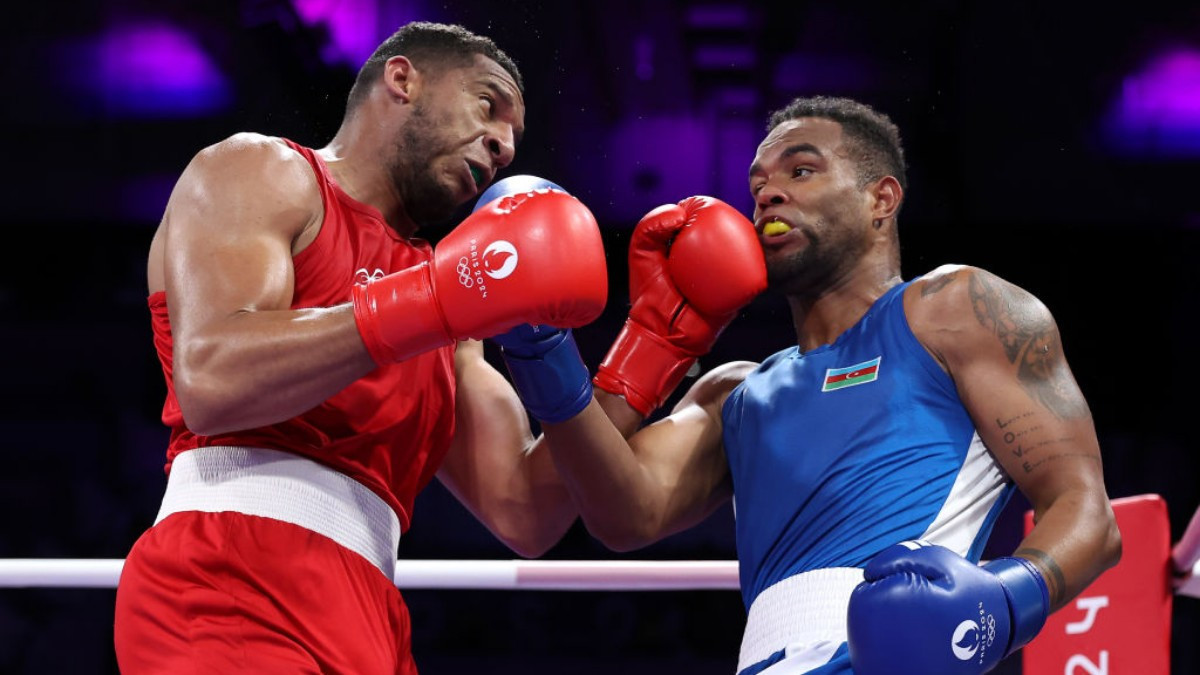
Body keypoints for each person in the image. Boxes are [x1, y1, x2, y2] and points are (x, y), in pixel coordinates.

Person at [517, 96, 1122, 674]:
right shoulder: (736, 393)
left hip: (897, 655)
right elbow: (622, 514)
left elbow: (1087, 513)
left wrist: (1005, 604)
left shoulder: (954, 308)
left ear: (880, 199)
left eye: (801, 170)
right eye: (757, 186)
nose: (767, 193)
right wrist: (551, 352)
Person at [113, 22, 609, 674]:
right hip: (227, 579)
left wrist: (653, 345)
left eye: (515, 135)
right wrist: (428, 302)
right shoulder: (262, 171)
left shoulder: (447, 301)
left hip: (369, 612)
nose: (504, 145)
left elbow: (525, 508)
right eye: (489, 105)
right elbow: (211, 378)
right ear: (402, 79)